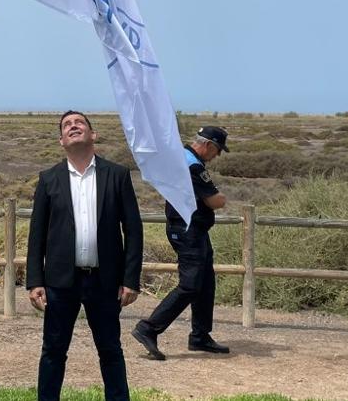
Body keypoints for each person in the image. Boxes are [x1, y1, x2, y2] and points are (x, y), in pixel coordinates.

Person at [27, 111, 143, 401]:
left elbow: (133, 229)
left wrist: (131, 279)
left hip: (105, 281)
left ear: (93, 135)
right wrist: (34, 281)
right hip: (60, 282)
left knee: (110, 351)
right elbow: (36, 234)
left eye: (79, 123)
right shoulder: (48, 178)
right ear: (61, 140)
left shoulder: (116, 175)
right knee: (53, 351)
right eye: (67, 125)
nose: (73, 126)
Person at [131, 125, 231, 359]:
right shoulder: (193, 165)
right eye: (217, 151)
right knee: (190, 285)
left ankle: (200, 336)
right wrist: (221, 198)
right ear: (208, 145)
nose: (216, 156)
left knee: (206, 283)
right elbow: (215, 201)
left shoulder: (182, 157)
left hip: (193, 229)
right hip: (188, 231)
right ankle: (149, 328)